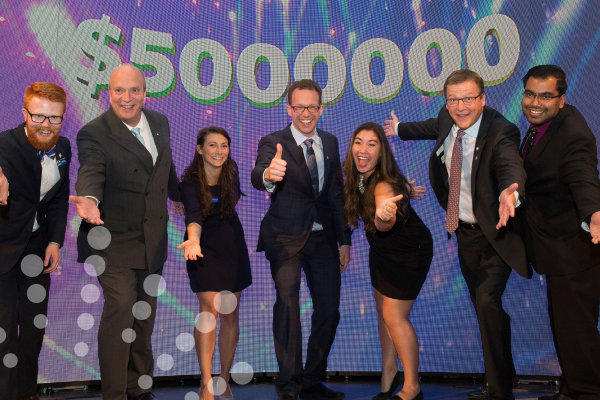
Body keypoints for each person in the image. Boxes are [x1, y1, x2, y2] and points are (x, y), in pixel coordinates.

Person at [383, 69, 529, 400]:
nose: (461, 107)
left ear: (483, 98)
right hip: (465, 234)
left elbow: (510, 164)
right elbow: (429, 127)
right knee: (483, 308)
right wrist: (400, 129)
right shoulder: (446, 117)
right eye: (453, 100)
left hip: (497, 233)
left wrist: (511, 192)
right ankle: (501, 379)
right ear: (446, 102)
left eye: (468, 99)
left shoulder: (501, 131)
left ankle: (499, 391)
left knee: (487, 302)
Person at [69, 64, 183, 400]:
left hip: (152, 241)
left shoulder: (159, 122)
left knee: (143, 317)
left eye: (134, 90)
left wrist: (182, 197)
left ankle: (138, 388)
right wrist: (90, 199)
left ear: (145, 93)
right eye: (119, 90)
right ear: (109, 93)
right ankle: (115, 394)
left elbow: (163, 168)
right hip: (111, 240)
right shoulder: (94, 132)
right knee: (122, 307)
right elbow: (92, 170)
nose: (126, 97)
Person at [250, 79, 351, 400]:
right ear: (288, 108)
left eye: (312, 107)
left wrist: (345, 241)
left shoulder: (330, 142)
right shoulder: (273, 141)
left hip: (323, 240)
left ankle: (311, 381)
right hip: (285, 238)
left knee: (329, 311)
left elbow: (336, 194)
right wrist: (268, 175)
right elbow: (259, 173)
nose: (305, 114)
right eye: (299, 107)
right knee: (288, 305)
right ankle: (288, 385)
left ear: (321, 109)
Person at [519, 65, 600, 400]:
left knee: (576, 331)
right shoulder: (546, 125)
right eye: (530, 94)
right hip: (555, 248)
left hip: (574, 250)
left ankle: (588, 393)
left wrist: (594, 211)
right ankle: (571, 390)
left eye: (546, 96)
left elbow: (582, 173)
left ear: (561, 99)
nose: (535, 102)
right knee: (566, 328)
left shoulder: (572, 133)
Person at [343, 122, 431, 400]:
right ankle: (389, 374)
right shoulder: (358, 176)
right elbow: (396, 186)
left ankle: (412, 387)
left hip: (409, 252)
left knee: (394, 316)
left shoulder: (382, 184)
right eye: (359, 142)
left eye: (372, 144)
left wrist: (384, 214)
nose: (363, 149)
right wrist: (406, 189)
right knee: (384, 314)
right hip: (381, 251)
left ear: (381, 152)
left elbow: (385, 221)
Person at [0, 82, 70, 400]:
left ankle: (27, 392)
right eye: (38, 116)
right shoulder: (6, 144)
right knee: (4, 332)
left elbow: (57, 200)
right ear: (24, 113)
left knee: (33, 328)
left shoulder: (63, 147)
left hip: (37, 251)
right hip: (4, 248)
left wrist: (54, 241)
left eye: (54, 118)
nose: (46, 125)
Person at [177, 127, 252, 400]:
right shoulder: (189, 184)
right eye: (212, 145)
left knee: (230, 312)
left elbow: (230, 204)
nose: (219, 151)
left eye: (224, 145)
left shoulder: (232, 174)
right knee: (209, 312)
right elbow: (193, 215)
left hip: (231, 244)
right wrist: (193, 239)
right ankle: (206, 381)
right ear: (200, 149)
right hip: (201, 246)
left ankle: (224, 378)